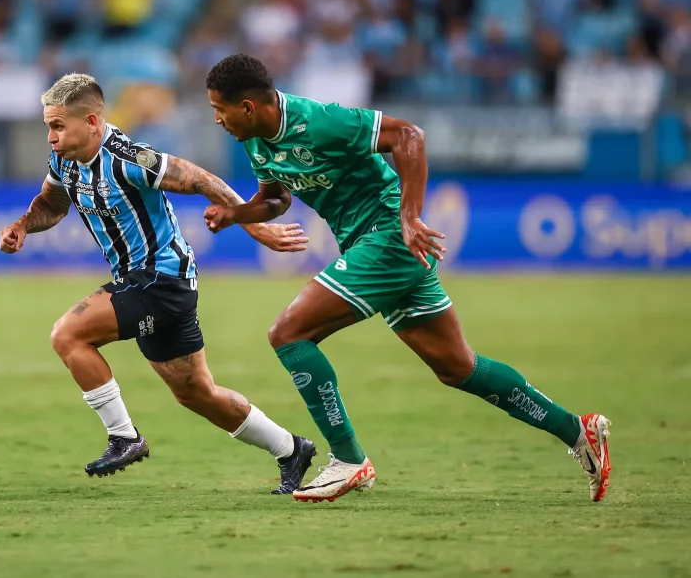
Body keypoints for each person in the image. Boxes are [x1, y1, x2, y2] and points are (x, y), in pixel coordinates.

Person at [201, 54, 611, 503]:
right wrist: (238, 214)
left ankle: (349, 460)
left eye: (220, 109)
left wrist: (410, 216)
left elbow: (408, 135)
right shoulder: (256, 138)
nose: (217, 119)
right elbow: (276, 198)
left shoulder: (319, 121)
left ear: (248, 106)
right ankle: (578, 430)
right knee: (458, 367)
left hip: (388, 239)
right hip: (371, 247)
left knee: (288, 334)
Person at [0, 73, 317, 493]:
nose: (51, 136)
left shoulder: (128, 157)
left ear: (92, 121)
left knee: (68, 335)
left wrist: (257, 228)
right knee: (196, 393)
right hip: (143, 283)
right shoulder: (64, 160)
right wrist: (24, 224)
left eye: (58, 126)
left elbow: (202, 179)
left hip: (161, 278)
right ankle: (291, 449)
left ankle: (124, 437)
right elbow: (52, 204)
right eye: (48, 127)